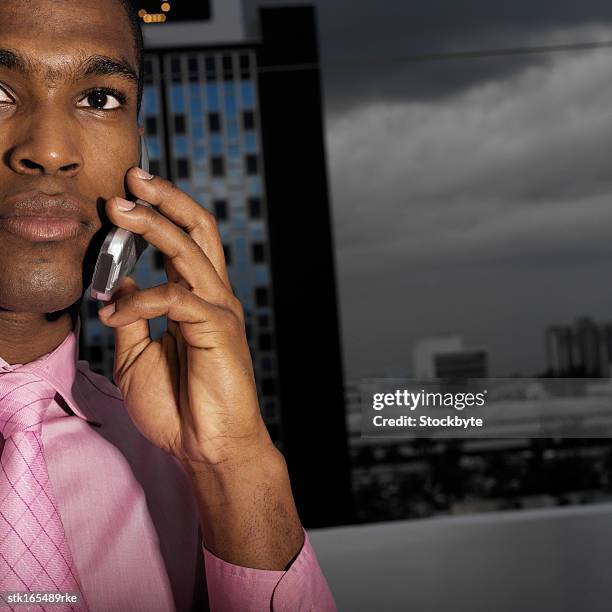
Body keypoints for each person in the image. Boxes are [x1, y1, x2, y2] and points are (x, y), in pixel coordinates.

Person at [0, 1, 336, 610]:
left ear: (140, 164)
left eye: (99, 99)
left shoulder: (182, 461)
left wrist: (234, 465)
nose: (50, 150)